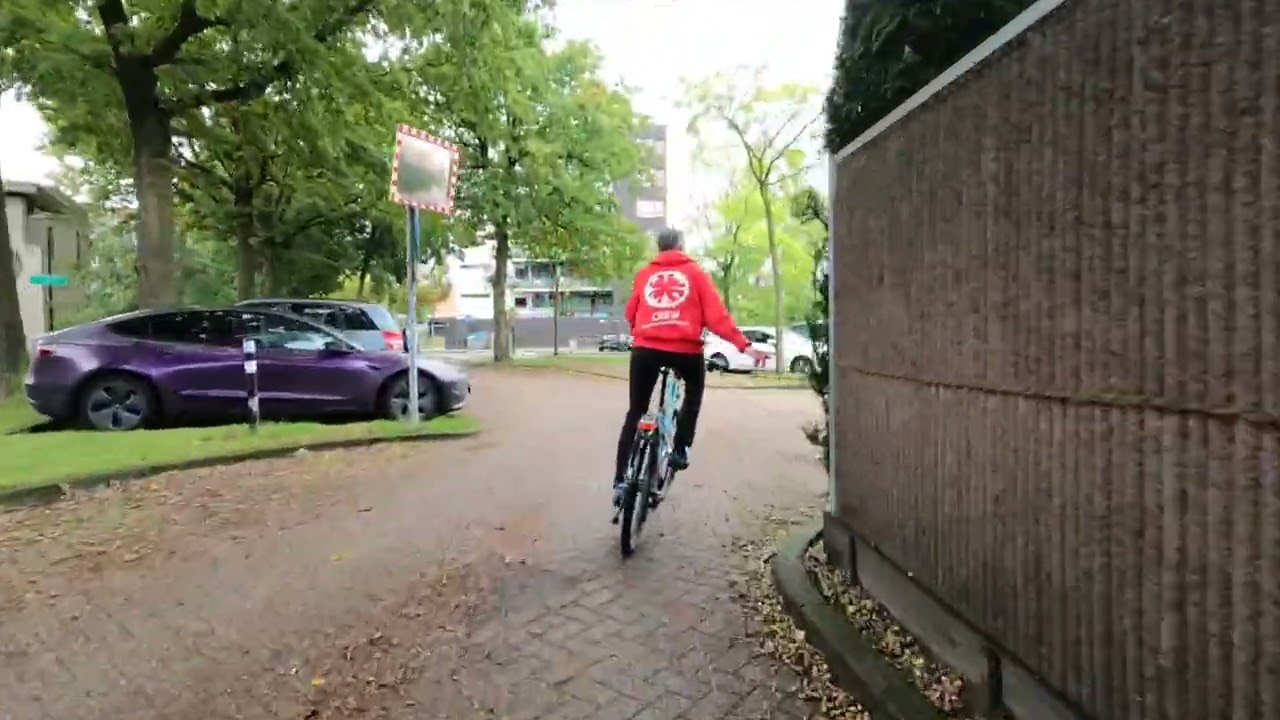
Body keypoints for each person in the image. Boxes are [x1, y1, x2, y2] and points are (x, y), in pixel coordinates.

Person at [613, 227, 767, 506]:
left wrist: (644, 330)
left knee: (636, 411)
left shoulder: (646, 274)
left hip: (645, 350)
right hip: (684, 351)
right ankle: (681, 447)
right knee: (694, 391)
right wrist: (744, 346)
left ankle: (620, 481)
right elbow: (716, 317)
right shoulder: (695, 274)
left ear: (659, 248)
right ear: (681, 246)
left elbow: (630, 312)